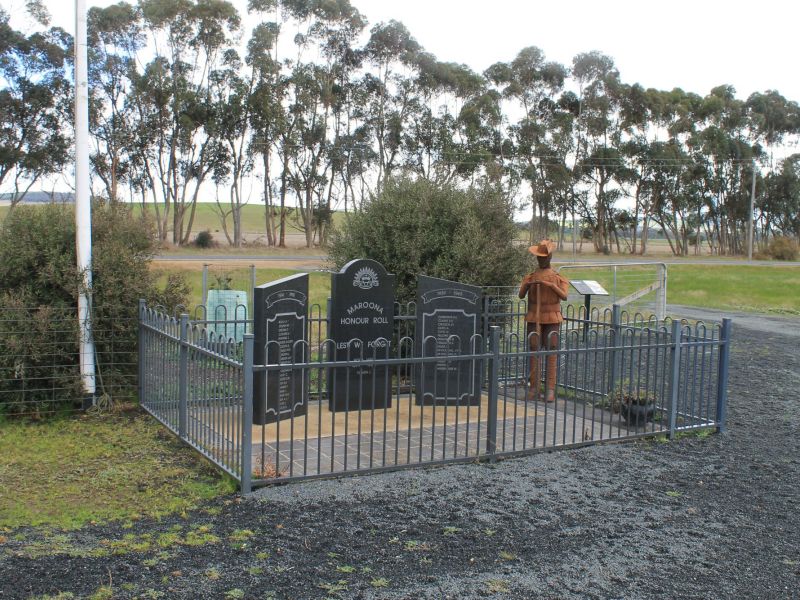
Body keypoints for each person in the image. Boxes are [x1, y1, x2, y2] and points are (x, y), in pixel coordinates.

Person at [518, 239, 569, 402]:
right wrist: (528, 284)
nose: (541, 260)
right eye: (539, 257)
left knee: (552, 352)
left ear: (550, 258)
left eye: (543, 257)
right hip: (534, 316)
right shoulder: (530, 276)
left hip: (552, 317)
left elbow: (564, 295)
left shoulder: (558, 277)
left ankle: (550, 389)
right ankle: (534, 388)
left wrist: (550, 285)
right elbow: (520, 295)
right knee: (534, 352)